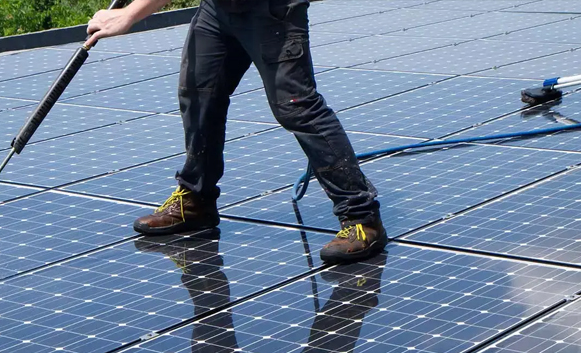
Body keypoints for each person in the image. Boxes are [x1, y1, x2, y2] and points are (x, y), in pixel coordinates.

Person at [87, 0, 385, 264]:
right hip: (218, 9)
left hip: (272, 10)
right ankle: (196, 200)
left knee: (295, 106)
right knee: (198, 94)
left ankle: (362, 218)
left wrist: (130, 14)